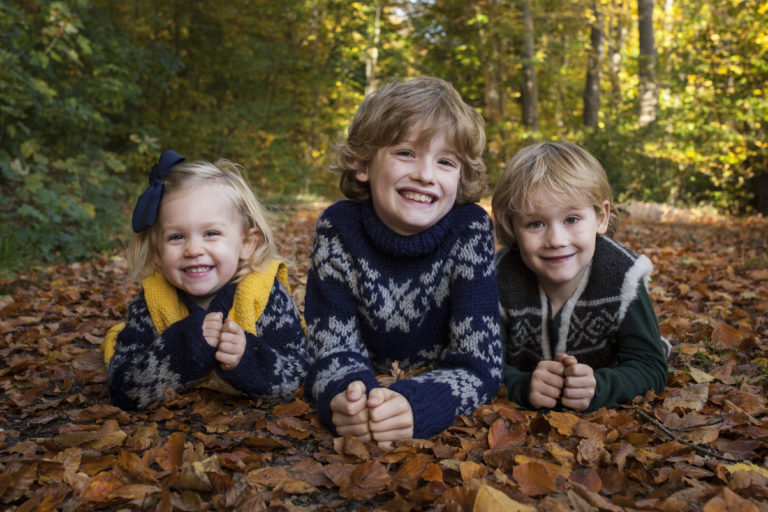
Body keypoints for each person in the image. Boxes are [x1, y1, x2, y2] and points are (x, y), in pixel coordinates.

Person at [303, 77, 503, 443]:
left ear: (461, 176)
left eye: (445, 162)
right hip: (365, 391)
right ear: (363, 163)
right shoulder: (339, 229)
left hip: (430, 389)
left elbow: (480, 364)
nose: (425, 175)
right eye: (406, 153)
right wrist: (349, 399)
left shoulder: (470, 231)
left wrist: (420, 404)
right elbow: (332, 349)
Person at [104, 150, 308, 411]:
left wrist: (247, 357)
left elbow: (301, 375)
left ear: (246, 243)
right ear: (157, 252)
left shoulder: (264, 295)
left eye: (211, 233)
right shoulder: (153, 303)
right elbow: (122, 391)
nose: (193, 249)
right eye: (176, 237)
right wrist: (183, 347)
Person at [492, 141, 668, 412]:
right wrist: (522, 385)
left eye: (572, 219)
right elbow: (482, 363)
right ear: (513, 228)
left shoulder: (623, 277)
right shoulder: (498, 279)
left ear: (601, 217)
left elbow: (650, 366)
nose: (556, 240)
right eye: (535, 224)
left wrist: (600, 386)